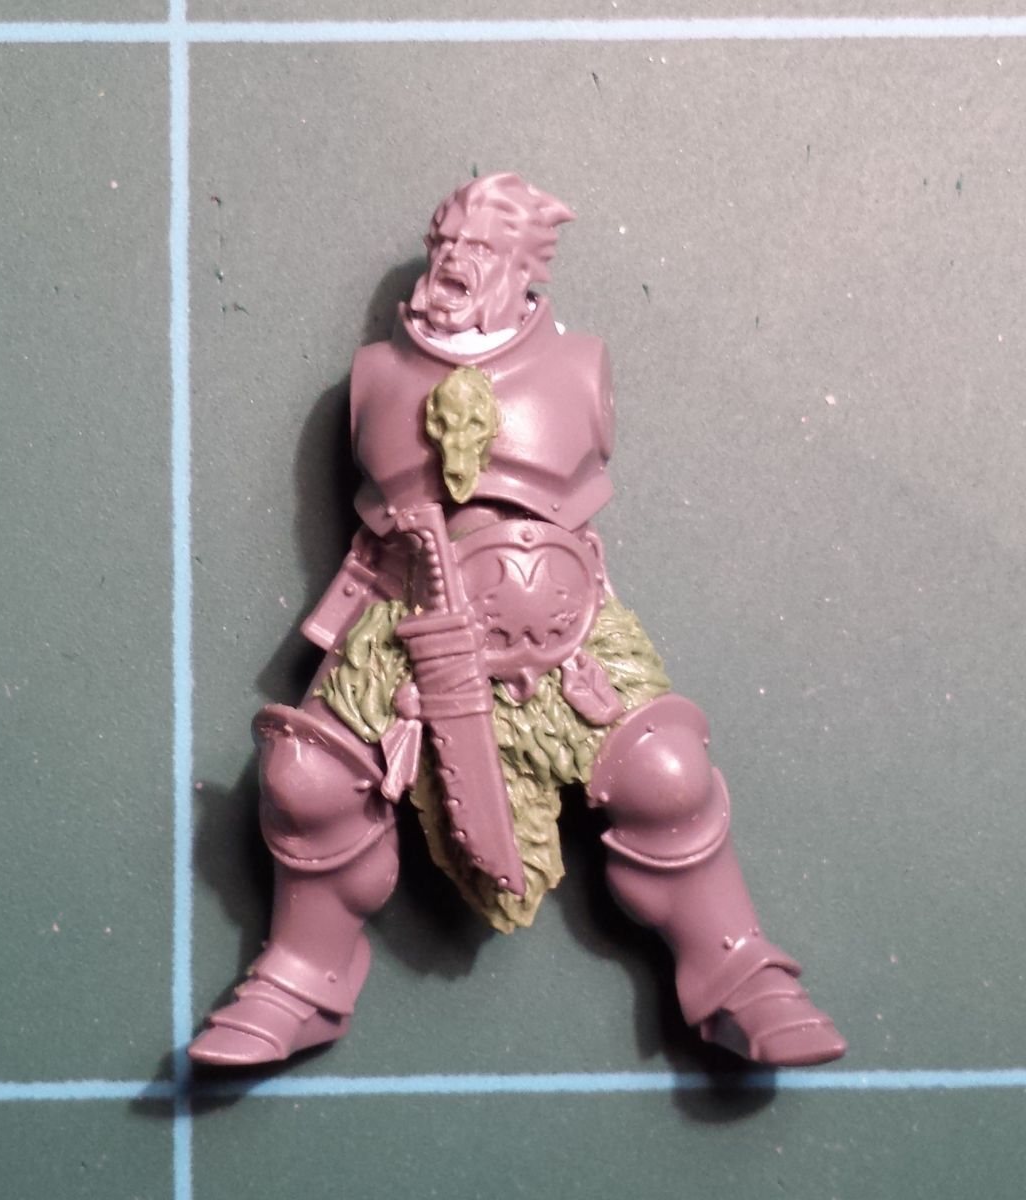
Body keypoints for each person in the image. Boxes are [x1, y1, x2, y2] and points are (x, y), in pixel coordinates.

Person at [189, 172, 846, 1069]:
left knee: (666, 771)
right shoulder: (377, 377)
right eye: (444, 244)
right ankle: (302, 975)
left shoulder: (578, 367)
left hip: (564, 625)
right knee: (306, 780)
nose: (453, 262)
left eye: (479, 248)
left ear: (523, 266)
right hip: (404, 618)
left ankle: (737, 972)